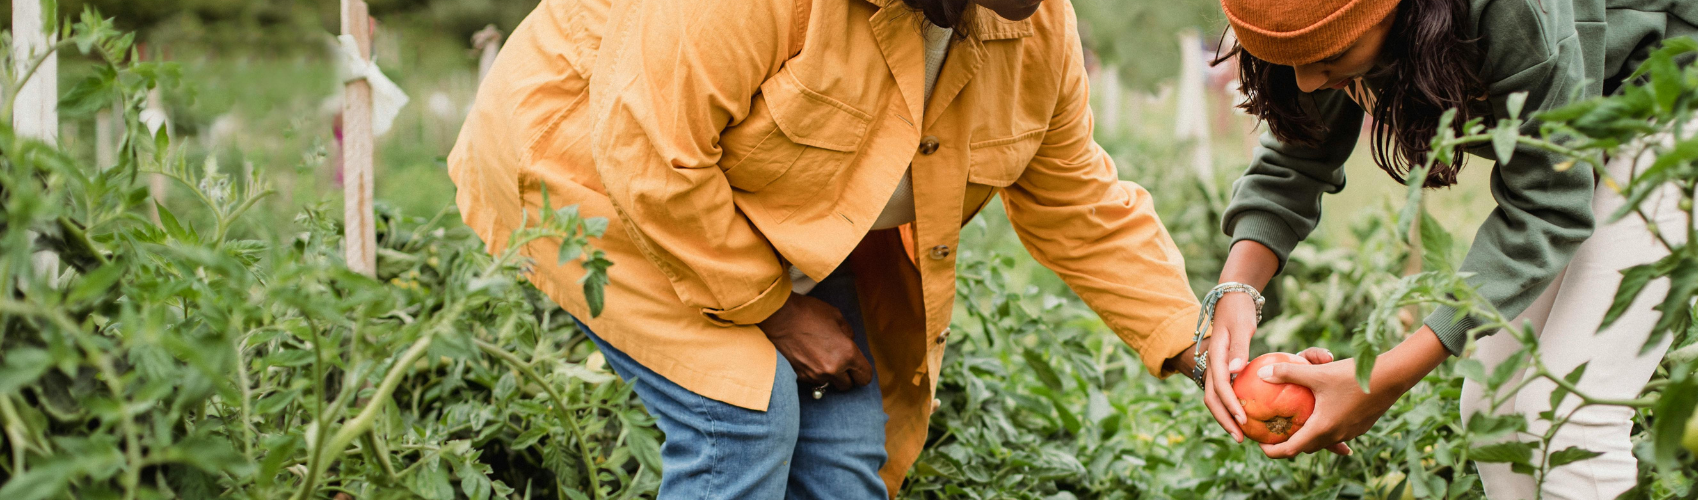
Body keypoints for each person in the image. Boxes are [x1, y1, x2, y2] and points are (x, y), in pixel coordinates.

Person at [447, 0, 1274, 498]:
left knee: (847, 433)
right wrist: (777, 312)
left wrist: (1197, 345)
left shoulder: (1035, 26)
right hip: (592, 173)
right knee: (745, 413)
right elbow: (651, 154)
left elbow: (1075, 200)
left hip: (761, 200)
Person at [1195, 0, 1698, 497]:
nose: (1307, 81)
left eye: (1331, 53)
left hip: (1687, 86)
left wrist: (1386, 377)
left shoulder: (1510, 10)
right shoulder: (1325, 27)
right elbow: (1297, 156)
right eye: (1284, 57)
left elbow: (1546, 204)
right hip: (1587, 118)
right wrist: (1236, 292)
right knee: (1494, 408)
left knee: (1568, 414)